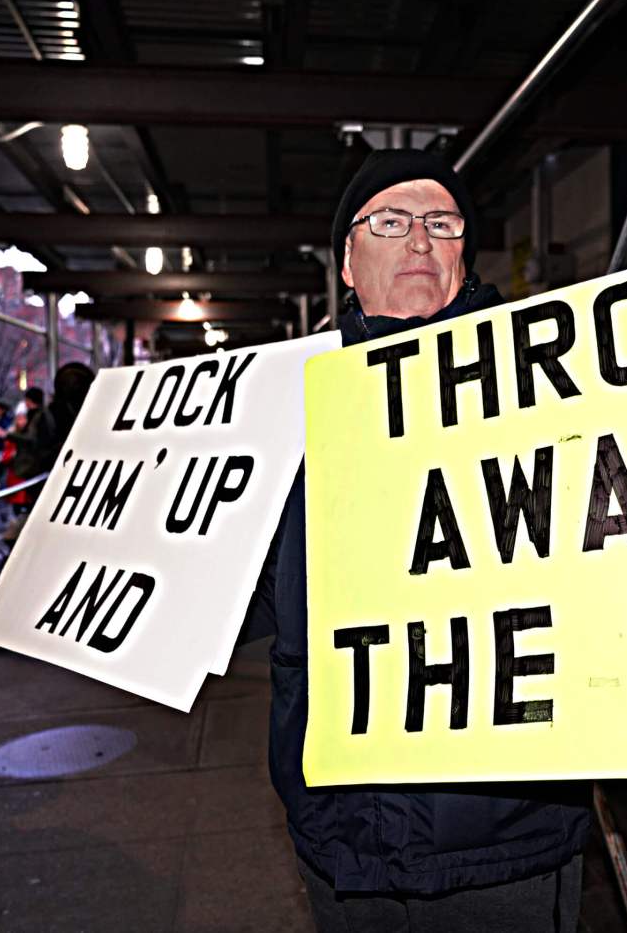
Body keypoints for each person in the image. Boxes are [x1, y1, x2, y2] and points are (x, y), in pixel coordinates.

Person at [245, 149, 590, 933]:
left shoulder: (551, 386)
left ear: (463, 257)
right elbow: (254, 610)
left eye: (441, 223)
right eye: (391, 222)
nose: (419, 241)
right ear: (347, 263)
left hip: (505, 833)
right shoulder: (281, 416)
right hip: (342, 828)